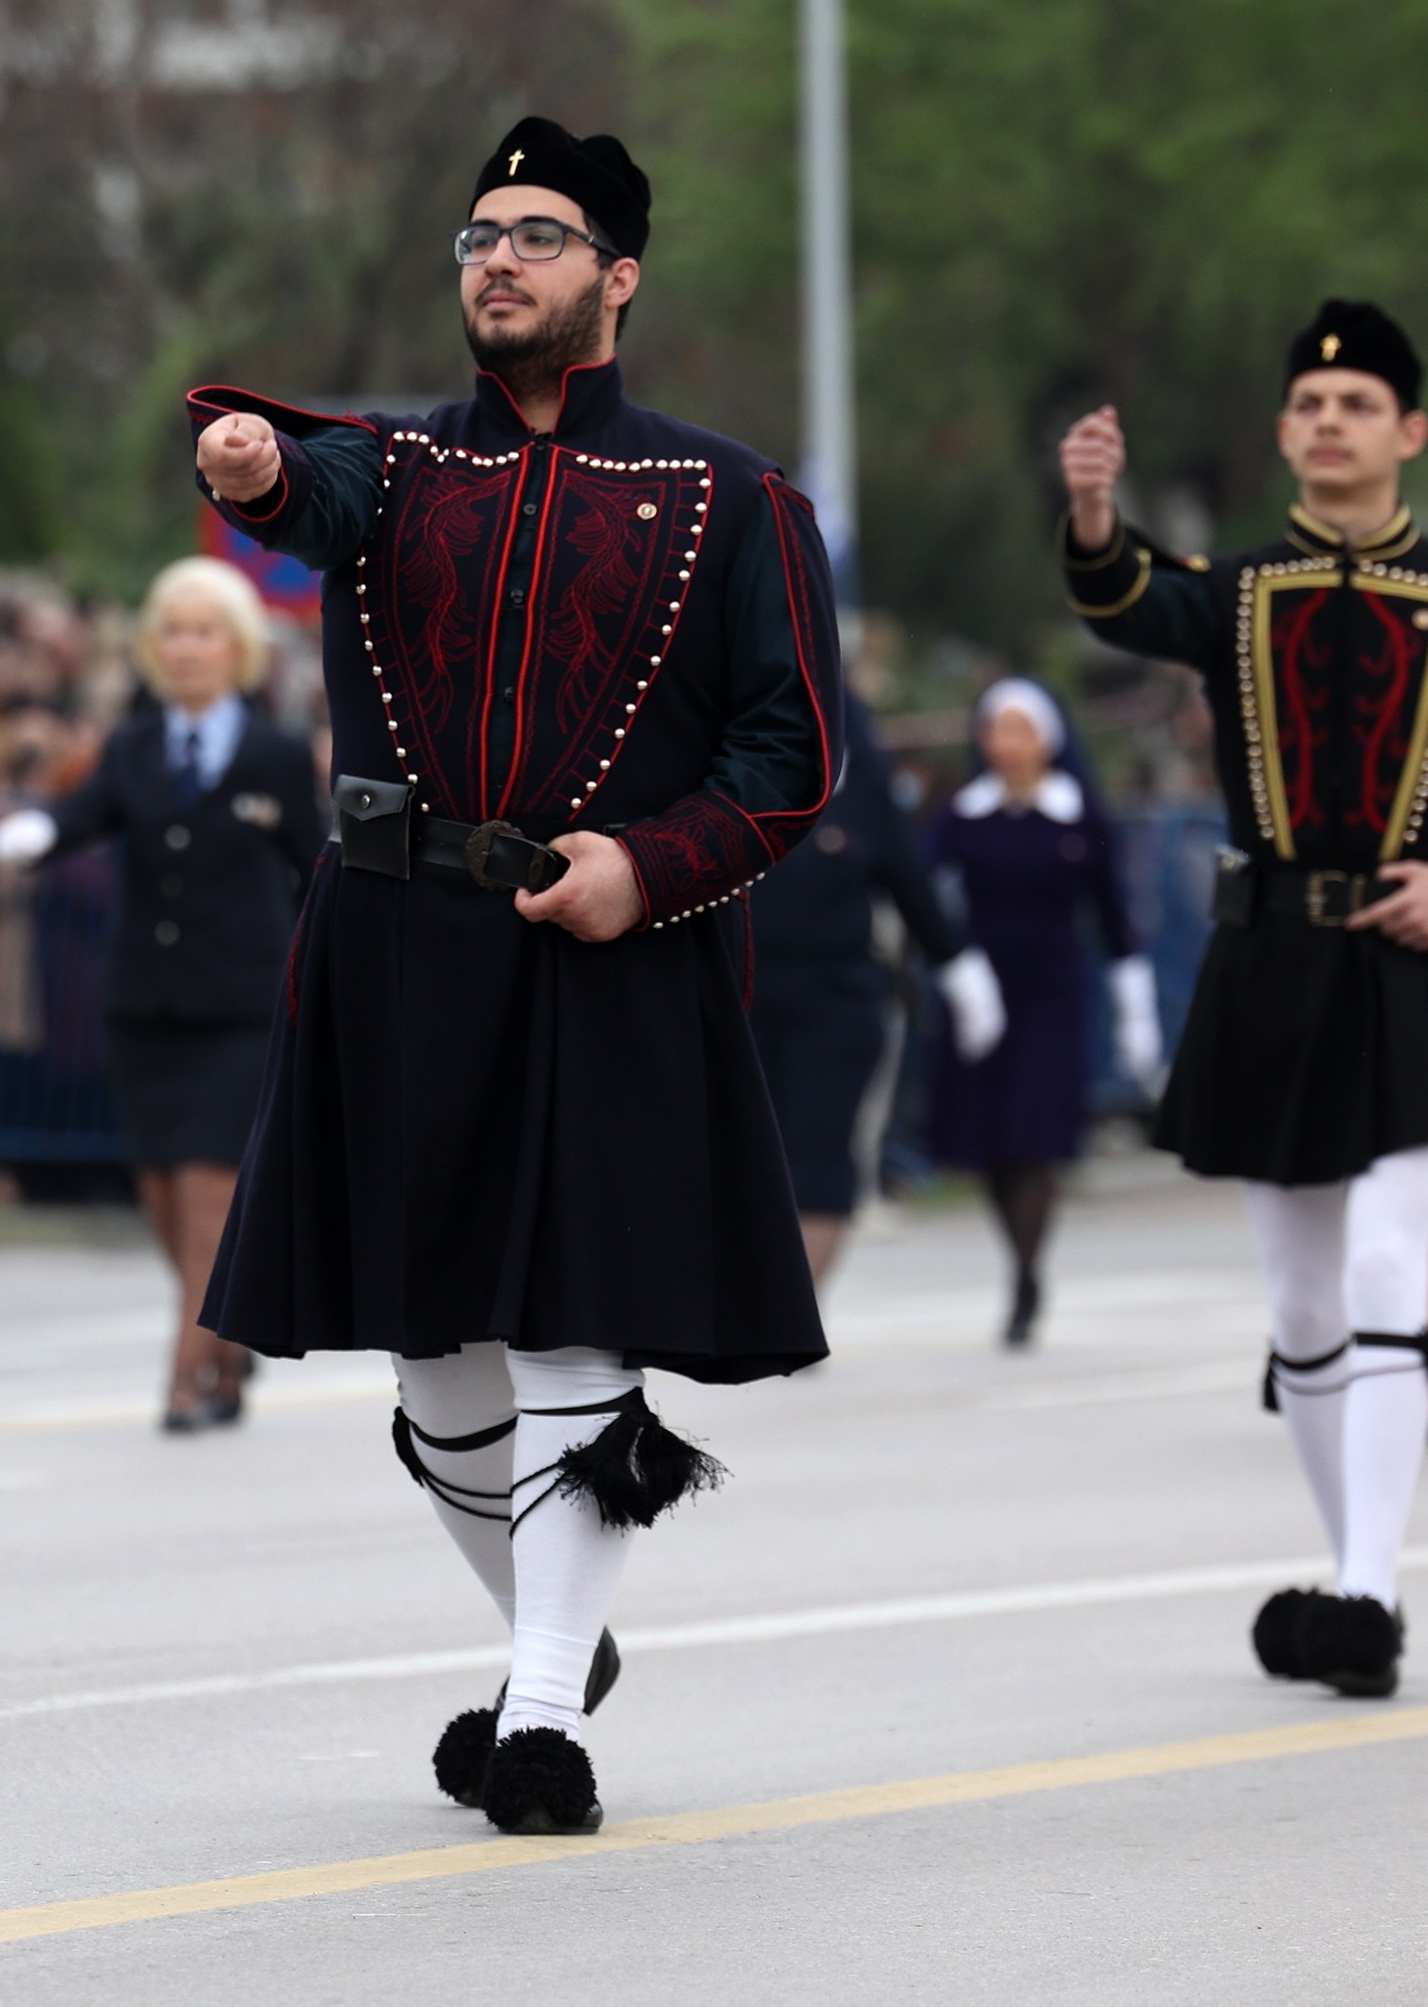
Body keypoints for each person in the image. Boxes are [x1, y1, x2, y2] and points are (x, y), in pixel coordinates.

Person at [191, 117, 841, 1834]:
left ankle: (543, 1706)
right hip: (396, 949)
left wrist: (654, 863)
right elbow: (302, 493)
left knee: (570, 1341)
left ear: (615, 278)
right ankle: (554, 1626)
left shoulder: (729, 496)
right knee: (431, 1366)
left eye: (537, 235)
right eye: (477, 233)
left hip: (605, 949)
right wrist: (255, 474)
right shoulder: (393, 469)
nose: (496, 258)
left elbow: (792, 753)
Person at [1058, 298, 1428, 1700]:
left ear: (1410, 432)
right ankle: (1346, 1573)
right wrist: (1090, 515)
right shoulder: (1239, 585)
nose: (1331, 423)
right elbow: (1133, 599)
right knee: (1302, 1302)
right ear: (1283, 432)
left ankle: (1371, 1592)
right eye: (1310, 407)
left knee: (1388, 1268)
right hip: (1268, 973)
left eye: (1359, 406)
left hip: (1416, 971)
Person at [0, 556, 325, 1431]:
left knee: (210, 1189)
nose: (186, 648)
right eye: (172, 630)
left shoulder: (276, 754)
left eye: (204, 631)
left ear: (238, 647)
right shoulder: (133, 746)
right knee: (164, 1202)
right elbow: (87, 813)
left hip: (240, 1006)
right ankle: (227, 1340)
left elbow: (313, 866)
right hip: (145, 1007)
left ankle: (184, 1376)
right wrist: (36, 830)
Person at [922, 678, 1166, 1346]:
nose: (1008, 744)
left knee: (1035, 1134)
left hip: (1053, 989)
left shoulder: (1077, 815)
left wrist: (1134, 1008)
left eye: (1020, 729)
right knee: (990, 1140)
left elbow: (1114, 915)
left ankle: (1026, 1276)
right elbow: (916, 883)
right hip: (982, 989)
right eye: (996, 730)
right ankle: (1018, 1257)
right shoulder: (963, 815)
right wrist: (954, 969)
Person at [750, 698, 992, 1286]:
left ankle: (798, 1301)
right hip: (743, 996)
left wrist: (960, 969)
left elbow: (910, 883)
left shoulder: (861, 793)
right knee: (750, 1154)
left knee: (821, 1152)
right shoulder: (738, 781)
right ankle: (745, 1298)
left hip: (836, 998)